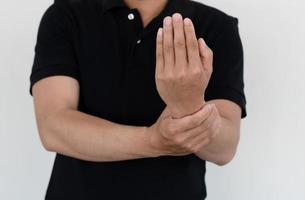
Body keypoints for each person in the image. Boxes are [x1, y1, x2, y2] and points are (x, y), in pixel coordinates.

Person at [28, 0, 247, 199]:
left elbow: (223, 149)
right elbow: (53, 128)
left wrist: (187, 104)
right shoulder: (66, 14)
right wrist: (153, 141)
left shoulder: (217, 26)